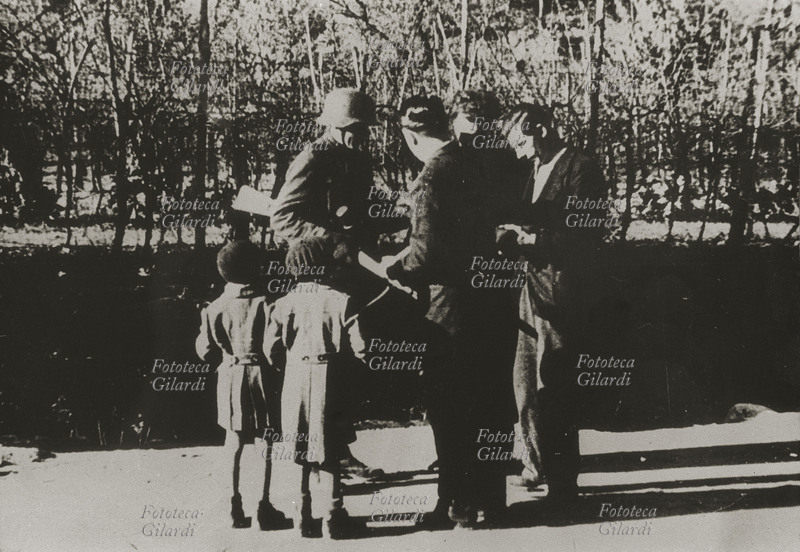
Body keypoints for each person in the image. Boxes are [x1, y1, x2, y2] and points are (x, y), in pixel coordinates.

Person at [382, 95, 500, 527]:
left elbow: (428, 254)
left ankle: (456, 503)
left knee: (449, 406)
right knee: (483, 401)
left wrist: (394, 266)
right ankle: (490, 500)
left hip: (448, 308)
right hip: (485, 300)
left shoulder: (431, 176)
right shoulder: (471, 162)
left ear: (411, 135)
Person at [499, 103, 608, 503]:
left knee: (556, 383)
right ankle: (533, 463)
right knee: (525, 381)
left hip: (561, 292)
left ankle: (563, 483)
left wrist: (532, 239)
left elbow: (587, 233)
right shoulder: (532, 168)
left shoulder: (582, 168)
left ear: (541, 129)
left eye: (521, 140)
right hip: (528, 287)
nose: (518, 150)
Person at [264, 238, 367, 539]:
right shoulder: (342, 300)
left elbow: (270, 349)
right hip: (330, 379)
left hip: (295, 378)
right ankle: (334, 516)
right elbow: (361, 347)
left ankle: (302, 515)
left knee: (299, 447)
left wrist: (289, 366)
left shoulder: (283, 303)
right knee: (330, 447)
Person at [195, 240, 292, 530]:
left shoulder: (214, 307)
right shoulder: (267, 303)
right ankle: (264, 507)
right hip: (262, 375)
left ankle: (233, 506)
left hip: (230, 374)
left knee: (233, 440)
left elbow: (205, 351)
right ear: (256, 268)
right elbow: (274, 347)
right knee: (266, 440)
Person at [271, 87, 377, 261]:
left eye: (365, 128)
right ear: (336, 125)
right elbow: (282, 217)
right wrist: (332, 239)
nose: (364, 135)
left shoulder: (359, 158)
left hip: (357, 255)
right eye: (357, 128)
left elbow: (367, 205)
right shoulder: (313, 158)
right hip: (321, 258)